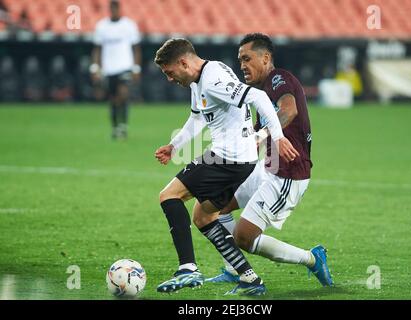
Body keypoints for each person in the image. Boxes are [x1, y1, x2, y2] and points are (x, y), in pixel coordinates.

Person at [153, 38, 299, 296]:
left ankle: (188, 268)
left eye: (169, 72)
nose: (169, 79)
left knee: (169, 196)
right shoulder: (201, 79)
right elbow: (198, 117)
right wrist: (174, 146)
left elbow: (258, 96)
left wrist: (277, 136)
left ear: (184, 62)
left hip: (226, 158)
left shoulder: (212, 79)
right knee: (203, 217)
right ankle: (249, 277)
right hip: (237, 160)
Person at [206, 33, 333, 287]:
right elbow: (256, 135)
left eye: (247, 58)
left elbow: (288, 110)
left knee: (244, 237)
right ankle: (235, 269)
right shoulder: (259, 92)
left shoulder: (278, 79)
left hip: (288, 175)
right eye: (239, 60)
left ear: (265, 58)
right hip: (268, 169)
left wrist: (260, 137)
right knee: (214, 207)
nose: (242, 65)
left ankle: (312, 259)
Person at [91, 0, 141, 140]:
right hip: (109, 68)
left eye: (116, 8)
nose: (114, 11)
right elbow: (97, 49)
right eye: (111, 8)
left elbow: (136, 48)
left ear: (119, 9)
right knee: (113, 99)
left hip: (125, 66)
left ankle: (123, 126)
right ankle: (115, 127)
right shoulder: (101, 26)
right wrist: (95, 68)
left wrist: (136, 68)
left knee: (123, 94)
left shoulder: (129, 25)